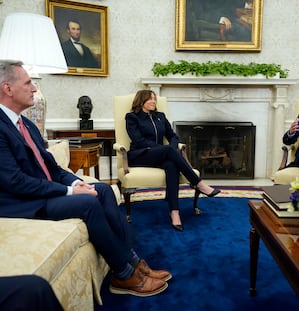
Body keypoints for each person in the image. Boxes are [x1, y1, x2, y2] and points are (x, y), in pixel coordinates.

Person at [0, 60, 170, 297]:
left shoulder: (25, 124)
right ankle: (123, 274)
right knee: (87, 203)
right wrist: (69, 192)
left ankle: (132, 261)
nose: (34, 88)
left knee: (102, 190)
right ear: (8, 88)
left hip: (42, 190)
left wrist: (74, 182)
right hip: (22, 201)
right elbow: (14, 181)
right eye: (28, 82)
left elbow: (51, 166)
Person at [125, 89, 221, 231]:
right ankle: (198, 183)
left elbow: (173, 136)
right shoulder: (132, 117)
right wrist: (165, 149)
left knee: (171, 165)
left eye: (154, 99)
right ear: (141, 101)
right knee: (169, 151)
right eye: (150, 99)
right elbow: (138, 140)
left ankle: (174, 212)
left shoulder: (160, 116)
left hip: (160, 155)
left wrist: (172, 147)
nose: (153, 101)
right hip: (140, 155)